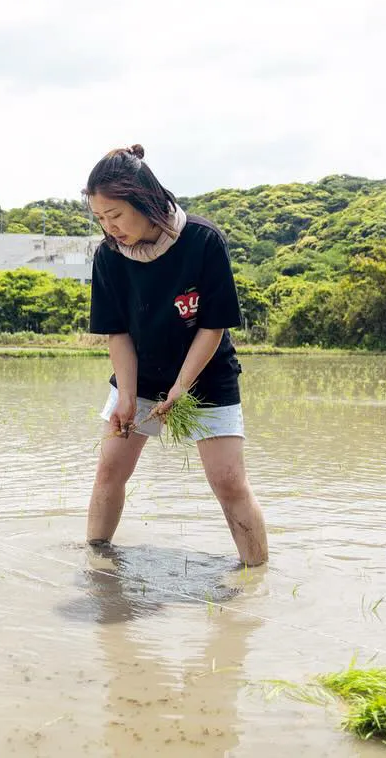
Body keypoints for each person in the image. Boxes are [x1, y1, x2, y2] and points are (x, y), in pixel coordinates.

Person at [84, 144, 267, 567]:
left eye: (116, 216)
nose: (110, 229)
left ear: (145, 201)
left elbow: (212, 325)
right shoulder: (109, 256)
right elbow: (117, 332)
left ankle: (256, 579)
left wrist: (181, 387)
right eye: (100, 219)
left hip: (206, 376)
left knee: (228, 481)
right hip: (139, 373)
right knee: (110, 468)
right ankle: (97, 566)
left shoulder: (203, 241)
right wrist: (127, 395)